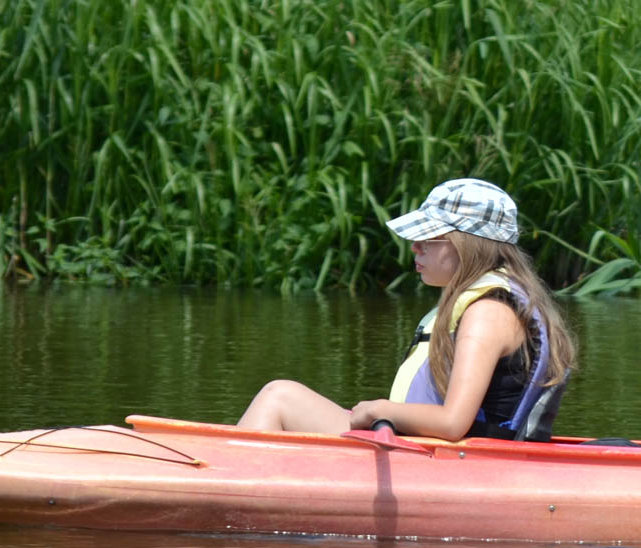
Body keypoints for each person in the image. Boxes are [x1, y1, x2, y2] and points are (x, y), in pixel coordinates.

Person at [238, 178, 575, 441]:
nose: (415, 247)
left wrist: (380, 409)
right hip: (429, 451)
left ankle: (225, 488)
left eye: (429, 238)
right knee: (281, 395)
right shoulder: (492, 302)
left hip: (453, 461)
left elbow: (453, 423)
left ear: (467, 244)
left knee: (279, 397)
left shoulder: (488, 312)